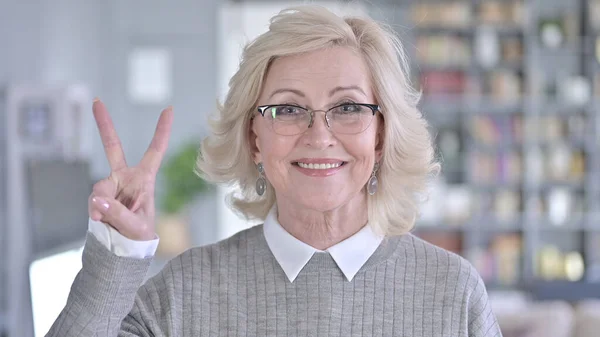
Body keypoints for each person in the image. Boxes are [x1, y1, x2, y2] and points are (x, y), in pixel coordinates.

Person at [47, 5, 502, 337]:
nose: (319, 135)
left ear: (381, 136)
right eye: (287, 109)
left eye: (347, 107)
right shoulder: (183, 294)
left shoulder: (453, 294)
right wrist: (118, 253)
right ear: (253, 138)